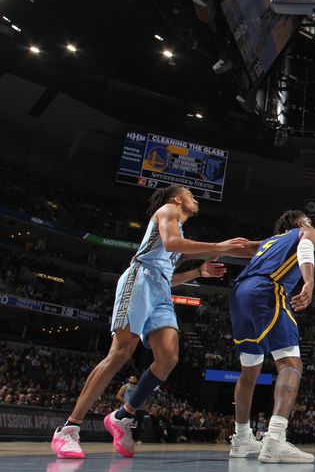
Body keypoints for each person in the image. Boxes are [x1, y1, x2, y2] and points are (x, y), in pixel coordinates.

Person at [50, 185, 251, 459]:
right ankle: (69, 430)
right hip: (140, 280)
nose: (195, 200)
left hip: (160, 289)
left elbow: (169, 276)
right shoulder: (168, 211)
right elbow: (170, 245)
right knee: (121, 352)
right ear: (177, 198)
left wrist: (199, 271)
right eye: (190, 195)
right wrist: (218, 247)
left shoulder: (179, 231)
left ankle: (123, 415)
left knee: (169, 357)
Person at [227, 210, 315, 464]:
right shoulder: (305, 231)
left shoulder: (269, 243)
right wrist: (309, 282)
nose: (311, 227)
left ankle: (241, 438)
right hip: (266, 291)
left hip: (238, 294)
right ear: (301, 223)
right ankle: (274, 440)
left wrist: (194, 255)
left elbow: (240, 247)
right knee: (290, 363)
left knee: (249, 370)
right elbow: (305, 245)